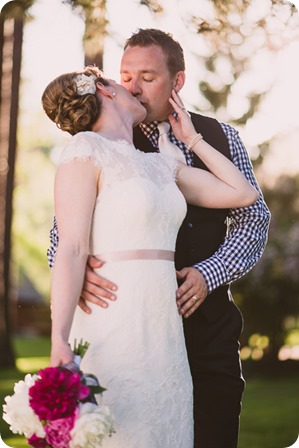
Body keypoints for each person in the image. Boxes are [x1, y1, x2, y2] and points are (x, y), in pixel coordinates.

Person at [43, 65, 258, 448]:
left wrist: (191, 139)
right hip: (112, 315)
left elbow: (242, 194)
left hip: (164, 329)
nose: (132, 88)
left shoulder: (161, 160)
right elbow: (71, 246)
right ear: (106, 91)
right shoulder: (84, 150)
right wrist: (59, 339)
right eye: (121, 78)